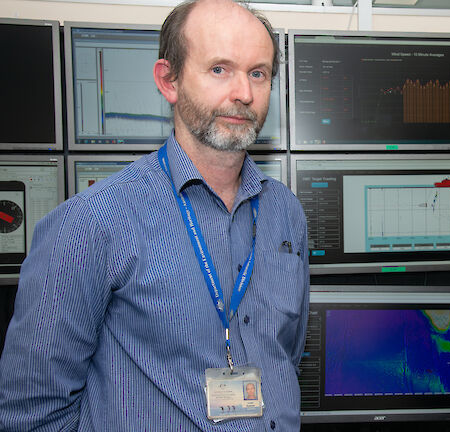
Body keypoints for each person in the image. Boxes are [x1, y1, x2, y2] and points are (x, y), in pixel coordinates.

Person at [0, 0, 309, 430]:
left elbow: (285, 358)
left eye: (258, 73)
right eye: (220, 69)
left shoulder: (285, 215)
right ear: (169, 81)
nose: (244, 93)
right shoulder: (90, 223)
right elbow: (31, 415)